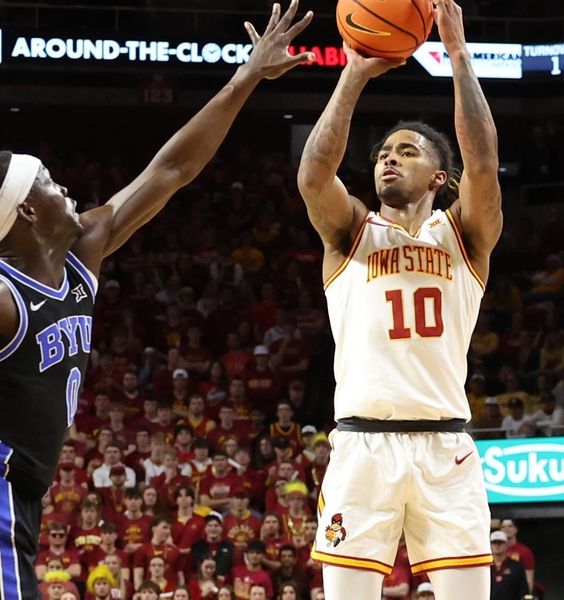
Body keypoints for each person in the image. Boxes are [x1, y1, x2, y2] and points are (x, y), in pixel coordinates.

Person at [0, 5, 316, 598]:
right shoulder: (3, 295)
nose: (63, 186)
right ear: (24, 211)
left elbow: (171, 168)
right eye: (47, 181)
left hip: (24, 496)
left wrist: (245, 76)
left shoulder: (81, 252)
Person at [297, 0, 502, 598]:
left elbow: (484, 161)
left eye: (408, 151)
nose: (390, 157)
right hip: (363, 444)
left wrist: (458, 56)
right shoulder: (351, 233)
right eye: (385, 152)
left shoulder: (463, 234)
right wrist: (354, 73)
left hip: (446, 447)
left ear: (440, 178)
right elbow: (313, 174)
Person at [488, 531, 528, 600]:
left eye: (500, 543)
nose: (497, 546)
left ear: (506, 544)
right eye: (494, 543)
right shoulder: (485, 567)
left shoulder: (517, 566)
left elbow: (523, 591)